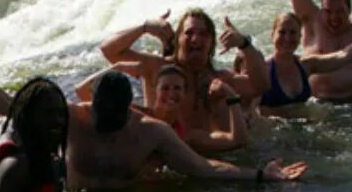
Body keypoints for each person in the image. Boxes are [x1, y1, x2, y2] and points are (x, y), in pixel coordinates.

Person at [0, 27, 305, 192]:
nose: (103, 122)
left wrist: (260, 176)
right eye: (98, 114)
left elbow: (204, 168)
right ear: (90, 106)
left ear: (128, 110)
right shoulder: (73, 118)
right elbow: (7, 102)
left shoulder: (152, 132)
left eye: (112, 116)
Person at [100, 8, 270, 133]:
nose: (196, 39)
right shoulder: (157, 67)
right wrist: (144, 27)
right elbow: (109, 50)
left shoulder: (220, 79)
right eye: (189, 33)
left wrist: (245, 45)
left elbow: (260, 85)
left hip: (208, 158)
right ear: (177, 39)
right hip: (163, 157)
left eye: (203, 34)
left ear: (211, 42)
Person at [75, 62, 248, 151]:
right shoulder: (135, 114)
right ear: (155, 91)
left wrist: (231, 96)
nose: (171, 93)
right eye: (165, 88)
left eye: (177, 88)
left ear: (185, 93)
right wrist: (116, 68)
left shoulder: (187, 135)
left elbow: (236, 140)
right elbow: (82, 91)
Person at [254, 10, 352, 112]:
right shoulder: (261, 69)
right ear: (272, 35)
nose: (287, 38)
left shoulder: (305, 66)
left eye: (293, 33)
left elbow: (343, 56)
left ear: (300, 37)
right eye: (282, 32)